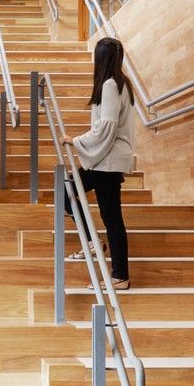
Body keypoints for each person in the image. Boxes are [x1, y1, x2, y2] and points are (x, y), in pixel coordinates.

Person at [68, 36, 136, 289]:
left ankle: (118, 275)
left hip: (108, 160)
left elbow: (107, 126)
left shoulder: (110, 84)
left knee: (110, 217)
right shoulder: (121, 83)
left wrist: (75, 140)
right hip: (110, 159)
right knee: (70, 191)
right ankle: (94, 244)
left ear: (101, 59)